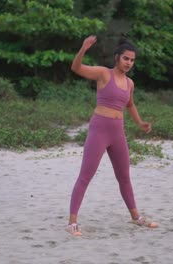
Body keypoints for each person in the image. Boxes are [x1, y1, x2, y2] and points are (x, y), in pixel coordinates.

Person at [66, 35, 158, 236]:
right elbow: (76, 68)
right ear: (117, 57)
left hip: (118, 133)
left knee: (124, 177)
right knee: (85, 176)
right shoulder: (103, 74)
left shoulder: (130, 83)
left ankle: (136, 217)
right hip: (99, 130)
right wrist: (83, 48)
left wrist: (140, 123)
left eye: (132, 60)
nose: (129, 63)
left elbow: (130, 104)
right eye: (126, 58)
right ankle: (72, 222)